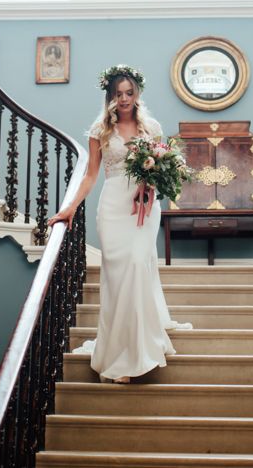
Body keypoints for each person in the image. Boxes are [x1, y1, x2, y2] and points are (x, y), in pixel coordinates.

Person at [47, 65, 191, 384]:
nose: (124, 99)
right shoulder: (99, 131)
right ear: (110, 97)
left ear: (137, 94)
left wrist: (153, 182)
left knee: (138, 264)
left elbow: (164, 163)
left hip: (143, 206)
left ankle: (141, 349)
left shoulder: (150, 127)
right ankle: (118, 352)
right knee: (117, 277)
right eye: (118, 94)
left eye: (129, 93)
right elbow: (90, 175)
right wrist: (69, 208)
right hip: (113, 206)